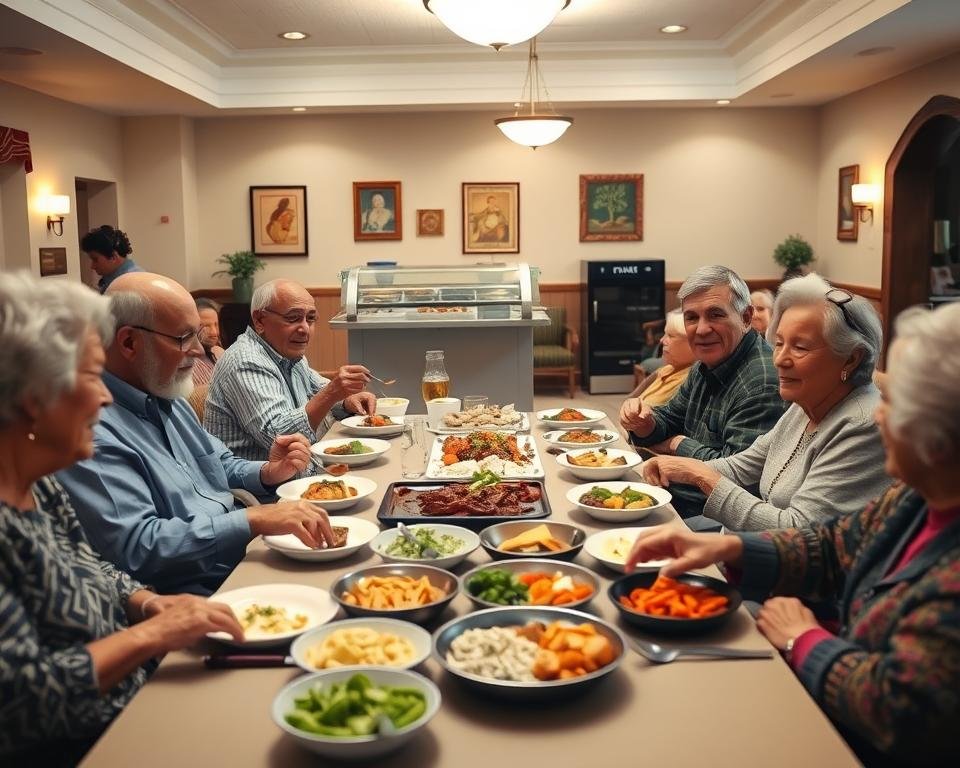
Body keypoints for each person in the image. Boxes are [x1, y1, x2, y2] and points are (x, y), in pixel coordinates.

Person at [626, 302, 960, 766]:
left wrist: (802, 639)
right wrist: (728, 545)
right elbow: (834, 544)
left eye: (899, 402)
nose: (882, 417)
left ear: (944, 435)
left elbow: (898, 711)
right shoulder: (917, 497)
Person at [0, 272, 246, 766]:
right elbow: (20, 702)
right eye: (92, 377)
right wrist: (155, 635)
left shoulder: (38, 485)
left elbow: (96, 567)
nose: (107, 396)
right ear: (33, 398)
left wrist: (151, 606)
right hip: (94, 740)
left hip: (141, 685)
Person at [56, 273, 335, 596]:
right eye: (182, 338)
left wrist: (268, 472)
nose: (196, 351)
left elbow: (221, 462)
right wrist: (252, 519)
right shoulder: (91, 428)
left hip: (243, 557)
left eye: (197, 336)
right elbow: (140, 547)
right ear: (129, 342)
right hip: (197, 589)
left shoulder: (167, 396)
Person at [641, 274, 888, 530]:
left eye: (800, 347)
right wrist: (681, 467)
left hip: (780, 562)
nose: (779, 359)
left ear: (851, 359)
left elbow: (798, 532)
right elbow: (742, 465)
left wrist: (702, 476)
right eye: (779, 344)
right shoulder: (807, 404)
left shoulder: (864, 426)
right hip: (747, 549)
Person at [619, 265, 786, 519]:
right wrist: (645, 421)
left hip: (705, 518)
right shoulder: (705, 364)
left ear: (746, 317)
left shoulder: (762, 382)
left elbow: (734, 479)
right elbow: (671, 417)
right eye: (692, 317)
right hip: (673, 493)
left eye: (715, 315)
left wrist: (677, 444)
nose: (702, 329)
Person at [204, 279, 376, 461]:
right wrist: (333, 392)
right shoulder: (246, 361)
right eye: (293, 318)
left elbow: (318, 389)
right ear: (260, 320)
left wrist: (347, 401)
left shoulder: (289, 353)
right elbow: (279, 439)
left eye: (310, 319)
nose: (304, 329)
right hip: (262, 486)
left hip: (303, 470)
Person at [626, 310, 694, 407]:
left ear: (692, 344)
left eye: (670, 335)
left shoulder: (690, 383)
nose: (662, 340)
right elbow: (631, 399)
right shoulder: (666, 370)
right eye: (664, 334)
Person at [81, 224, 142, 294]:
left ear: (113, 257)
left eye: (95, 259)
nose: (92, 266)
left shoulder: (129, 284)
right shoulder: (114, 278)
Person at [192, 297, 224, 388]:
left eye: (216, 324)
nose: (214, 332)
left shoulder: (219, 352)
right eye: (206, 326)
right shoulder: (188, 363)